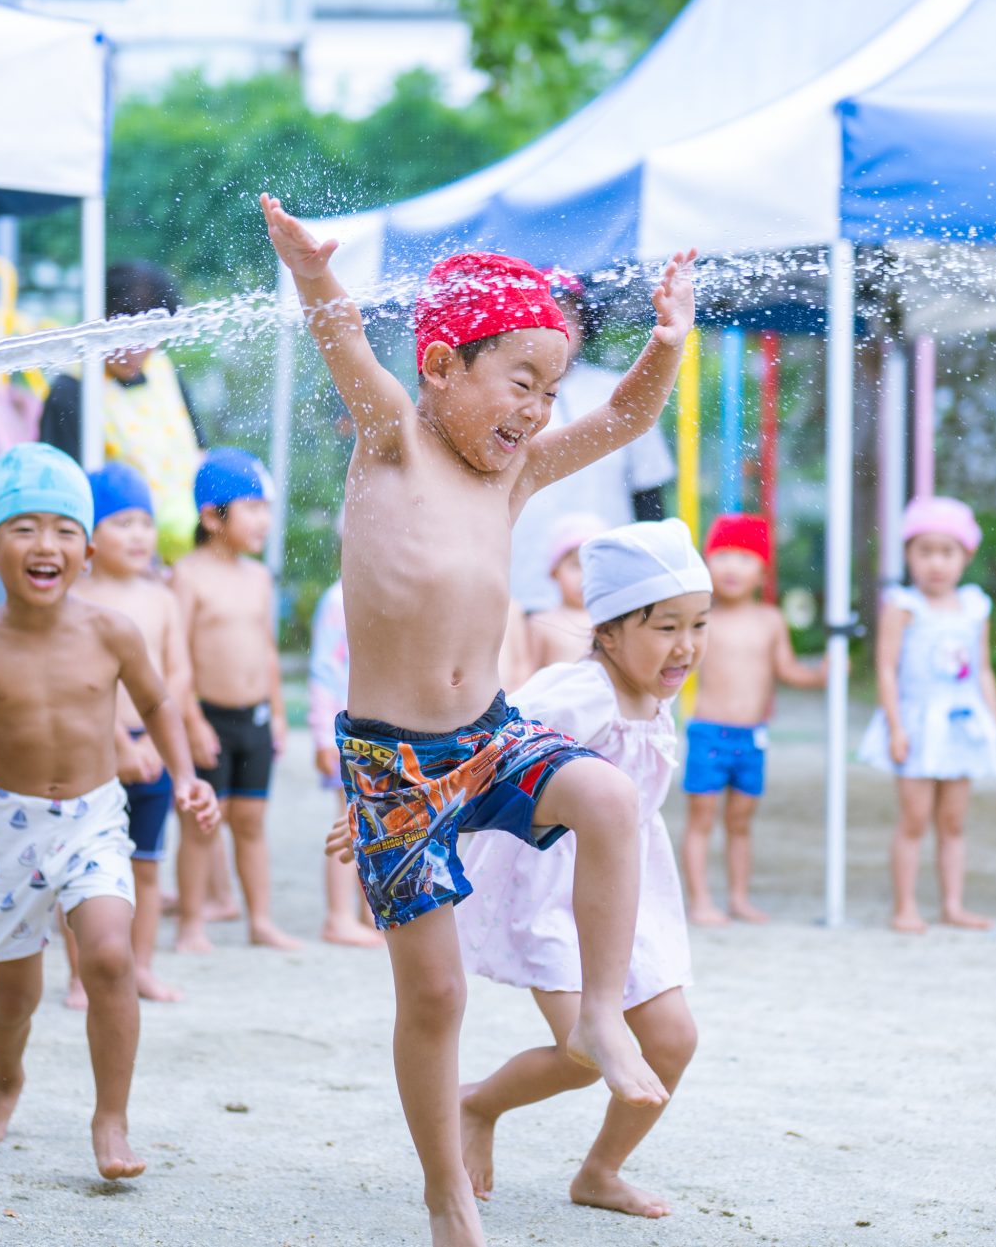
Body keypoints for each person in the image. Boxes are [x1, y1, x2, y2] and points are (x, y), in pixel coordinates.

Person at [262, 192, 692, 1247]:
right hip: (395, 766)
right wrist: (315, 275)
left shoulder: (517, 476)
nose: (538, 412)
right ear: (443, 367)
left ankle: (599, 1011)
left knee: (607, 796)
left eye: (550, 388)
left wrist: (667, 344)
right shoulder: (390, 443)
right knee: (436, 995)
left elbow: (626, 420)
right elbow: (344, 344)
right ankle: (444, 1188)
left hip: (490, 733)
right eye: (521, 383)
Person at [0, 445, 218, 1177]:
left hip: (93, 820)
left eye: (65, 530)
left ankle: (111, 1118)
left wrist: (186, 775)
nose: (46, 544)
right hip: (8, 829)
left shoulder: (111, 631)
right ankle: (5, 1082)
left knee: (108, 956)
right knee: (13, 995)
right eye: (24, 528)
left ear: (86, 553)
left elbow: (157, 702)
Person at [450, 521, 707, 1221]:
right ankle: (477, 1103)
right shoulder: (579, 691)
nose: (686, 645)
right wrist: (405, 809)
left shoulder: (657, 691)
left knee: (673, 1039)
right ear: (610, 631)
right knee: (582, 1051)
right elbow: (486, 750)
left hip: (627, 896)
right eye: (666, 626)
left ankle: (600, 1172)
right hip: (556, 886)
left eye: (698, 624)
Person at [68, 459, 206, 1003]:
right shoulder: (77, 599)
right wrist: (118, 744)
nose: (137, 535)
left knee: (146, 868)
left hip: (151, 752)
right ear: (90, 535)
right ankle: (79, 975)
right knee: (81, 870)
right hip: (92, 751)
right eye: (121, 523)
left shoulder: (162, 599)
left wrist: (150, 740)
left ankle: (140, 968)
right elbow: (78, 680)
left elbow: (179, 674)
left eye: (144, 523)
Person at [861, 497, 996, 932]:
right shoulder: (903, 606)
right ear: (908, 554)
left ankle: (952, 905)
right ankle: (904, 906)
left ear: (966, 556)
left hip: (961, 726)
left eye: (947, 552)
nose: (936, 563)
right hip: (917, 726)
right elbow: (886, 669)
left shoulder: (974, 607)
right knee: (913, 820)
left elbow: (983, 671)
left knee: (953, 823)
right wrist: (895, 726)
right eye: (924, 551)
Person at [171, 448, 297, 953]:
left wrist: (279, 714)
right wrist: (192, 720)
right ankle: (191, 925)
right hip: (210, 719)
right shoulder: (187, 576)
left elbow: (266, 650)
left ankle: (260, 921)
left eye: (266, 508)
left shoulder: (259, 578)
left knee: (250, 822)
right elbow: (176, 657)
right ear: (212, 517)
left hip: (256, 718)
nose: (264, 520)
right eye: (252, 508)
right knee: (202, 826)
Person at [679, 513, 821, 926]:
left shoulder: (770, 620)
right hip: (708, 733)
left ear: (762, 571)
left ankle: (739, 898)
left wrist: (823, 674)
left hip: (752, 737)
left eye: (744, 558)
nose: (731, 567)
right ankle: (700, 900)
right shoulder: (700, 617)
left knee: (740, 821)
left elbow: (788, 670)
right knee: (701, 818)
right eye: (722, 556)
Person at [507, 280, 678, 612]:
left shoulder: (621, 393)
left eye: (568, 316)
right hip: (518, 589)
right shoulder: (499, 398)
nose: (557, 328)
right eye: (543, 316)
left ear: (585, 325)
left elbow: (648, 498)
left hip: (610, 590)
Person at [39, 260, 205, 563]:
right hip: (118, 557)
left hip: (188, 546)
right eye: (125, 336)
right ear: (100, 320)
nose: (136, 351)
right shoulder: (71, 392)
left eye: (149, 337)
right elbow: (62, 498)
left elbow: (200, 450)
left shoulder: (163, 371)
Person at [303, 573, 383, 949]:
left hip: (378, 733)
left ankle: (369, 911)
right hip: (347, 731)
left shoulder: (383, 591)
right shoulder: (340, 598)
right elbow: (323, 669)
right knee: (349, 822)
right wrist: (323, 735)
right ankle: (338, 916)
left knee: (377, 823)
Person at [521, 513, 607, 671]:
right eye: (575, 565)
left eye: (593, 565)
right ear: (554, 572)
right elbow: (528, 673)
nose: (584, 576)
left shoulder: (611, 620)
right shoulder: (542, 623)